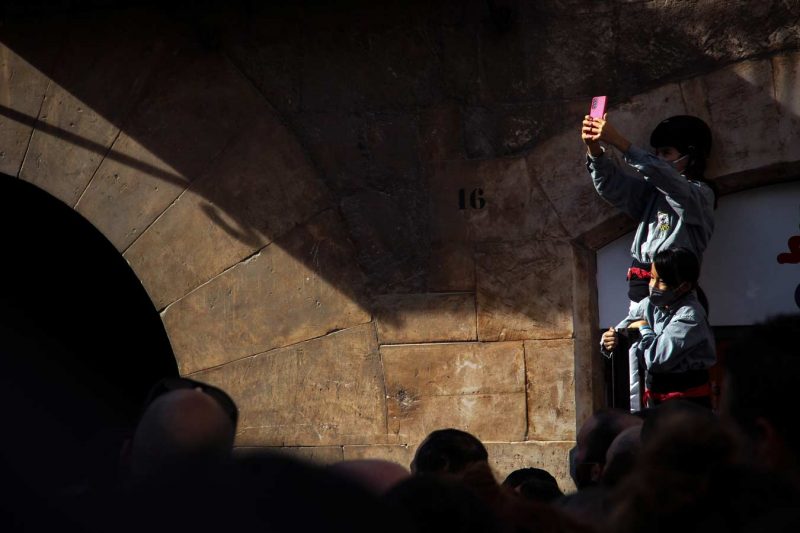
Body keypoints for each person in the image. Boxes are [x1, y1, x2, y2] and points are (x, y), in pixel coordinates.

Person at [582, 113, 715, 304]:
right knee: (636, 333)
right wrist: (593, 148)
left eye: (666, 153)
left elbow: (666, 178)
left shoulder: (700, 195)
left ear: (692, 156)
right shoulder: (655, 193)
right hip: (641, 286)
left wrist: (618, 141)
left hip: (671, 289)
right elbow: (612, 186)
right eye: (657, 154)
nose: (659, 159)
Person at [601, 248, 715, 411]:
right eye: (652, 278)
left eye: (661, 281)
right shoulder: (648, 305)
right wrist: (609, 339)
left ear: (683, 286)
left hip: (687, 406)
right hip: (656, 402)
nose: (652, 286)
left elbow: (655, 359)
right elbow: (622, 329)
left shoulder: (690, 315)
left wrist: (643, 327)